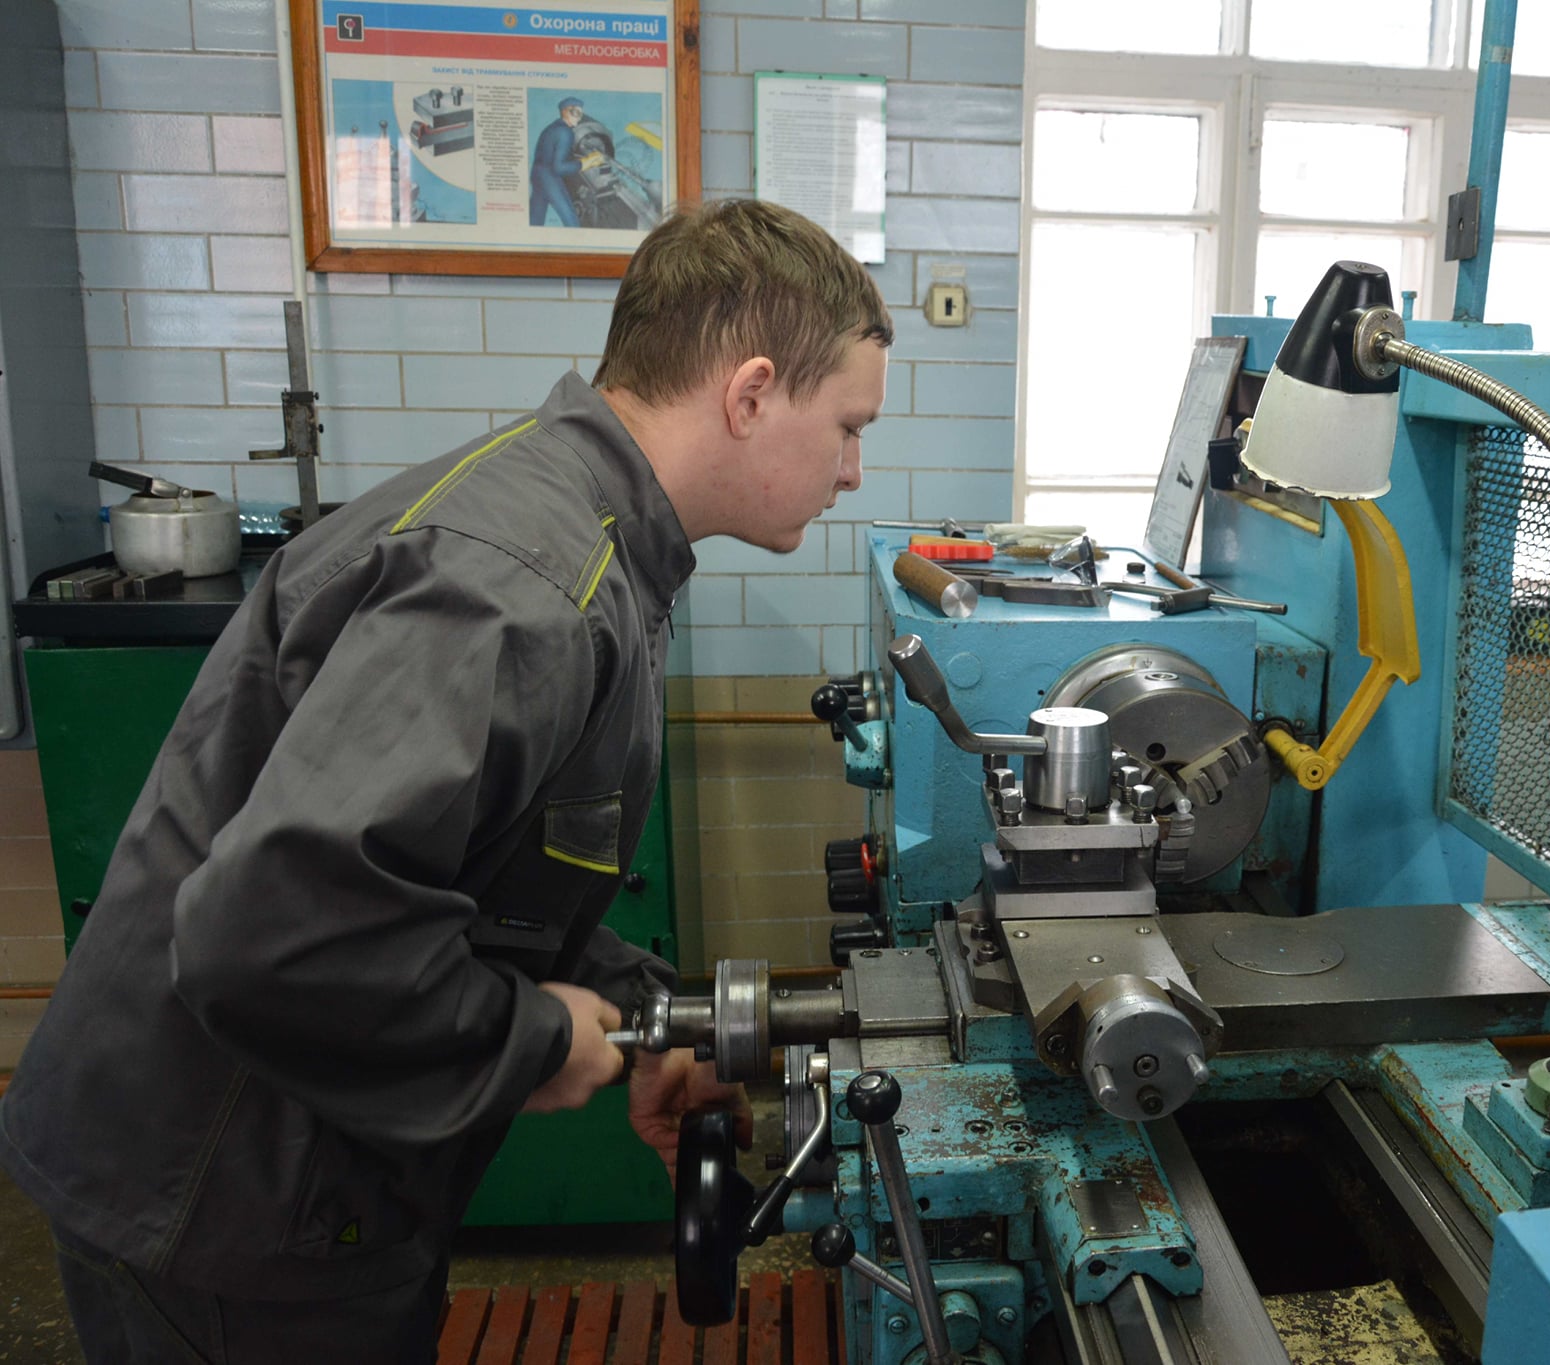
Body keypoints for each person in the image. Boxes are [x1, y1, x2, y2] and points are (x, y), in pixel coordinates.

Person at [0, 197, 893, 1363]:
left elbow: (468, 871)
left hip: (295, 1171)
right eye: (846, 428)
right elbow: (268, 936)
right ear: (750, 393)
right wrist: (532, 1038)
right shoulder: (524, 588)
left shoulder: (583, 536)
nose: (852, 472)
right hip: (223, 1191)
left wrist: (637, 1010)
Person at [531, 95, 590, 227]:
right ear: (565, 112)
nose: (579, 118)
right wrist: (585, 163)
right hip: (550, 179)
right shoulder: (566, 132)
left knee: (535, 221)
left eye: (581, 114)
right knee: (572, 223)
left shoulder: (551, 128)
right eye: (576, 113)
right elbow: (559, 168)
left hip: (536, 175)